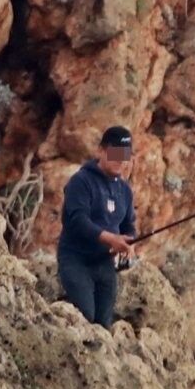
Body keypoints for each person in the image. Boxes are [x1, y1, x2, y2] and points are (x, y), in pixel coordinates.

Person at [57, 125, 138, 327]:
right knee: (85, 315)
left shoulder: (125, 191)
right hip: (75, 259)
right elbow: (78, 220)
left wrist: (130, 243)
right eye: (115, 153)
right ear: (101, 150)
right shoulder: (81, 181)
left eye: (125, 156)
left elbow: (128, 225)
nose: (120, 160)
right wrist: (111, 239)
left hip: (104, 264)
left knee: (103, 323)